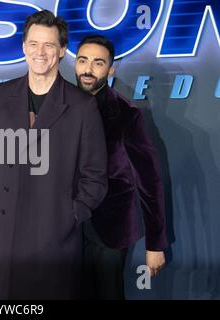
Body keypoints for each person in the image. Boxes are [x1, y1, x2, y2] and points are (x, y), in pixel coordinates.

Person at [0, 10, 108, 300]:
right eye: (33, 44)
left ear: (62, 50)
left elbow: (96, 177)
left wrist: (67, 216)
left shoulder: (82, 106)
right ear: (23, 47)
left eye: (49, 45)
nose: (40, 52)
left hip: (52, 248)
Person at [74, 35, 168, 300]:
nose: (88, 69)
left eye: (98, 63)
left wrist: (155, 243)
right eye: (83, 60)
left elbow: (149, 181)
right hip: (64, 229)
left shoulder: (126, 113)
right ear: (75, 64)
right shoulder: (57, 107)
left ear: (110, 69)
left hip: (110, 229)